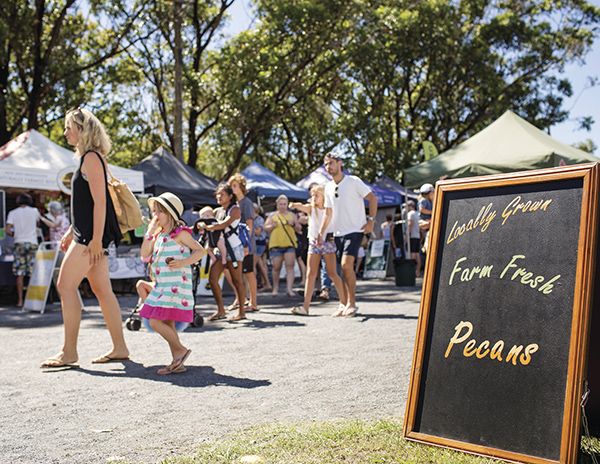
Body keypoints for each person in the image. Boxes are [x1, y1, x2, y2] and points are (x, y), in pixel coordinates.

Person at [41, 108, 129, 368]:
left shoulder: (91, 158)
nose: (65, 132)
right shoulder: (90, 158)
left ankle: (69, 352)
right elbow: (86, 203)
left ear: (82, 129)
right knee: (103, 291)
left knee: (65, 285)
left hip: (91, 238)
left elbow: (101, 203)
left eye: (69, 127)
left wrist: (96, 240)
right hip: (88, 235)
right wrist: (71, 230)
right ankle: (120, 347)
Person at [139, 192, 205, 374]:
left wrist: (183, 262)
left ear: (170, 213)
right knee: (166, 323)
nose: (155, 216)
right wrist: (149, 233)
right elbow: (144, 254)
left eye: (159, 211)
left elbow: (200, 251)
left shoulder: (180, 234)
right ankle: (178, 361)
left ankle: (181, 351)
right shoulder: (158, 235)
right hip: (162, 286)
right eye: (153, 211)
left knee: (154, 320)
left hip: (175, 286)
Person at [319, 152, 378, 317]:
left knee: (346, 265)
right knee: (342, 270)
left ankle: (352, 303)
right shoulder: (328, 187)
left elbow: (373, 199)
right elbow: (328, 213)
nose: (328, 167)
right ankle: (343, 303)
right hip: (338, 233)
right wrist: (321, 232)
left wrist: (371, 221)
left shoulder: (354, 181)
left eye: (331, 163)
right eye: (326, 164)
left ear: (339, 163)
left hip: (355, 230)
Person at [289, 185, 346, 316]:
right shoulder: (311, 208)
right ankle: (305, 307)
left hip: (327, 242)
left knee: (332, 273)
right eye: (312, 195)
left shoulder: (329, 209)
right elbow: (301, 205)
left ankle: (344, 301)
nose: (314, 198)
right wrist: (293, 205)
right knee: (310, 274)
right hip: (314, 242)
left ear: (323, 196)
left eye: (316, 195)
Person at [205, 183, 248, 322]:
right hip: (221, 249)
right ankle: (221, 310)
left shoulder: (235, 209)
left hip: (234, 248)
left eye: (222, 194)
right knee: (212, 279)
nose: (219, 196)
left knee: (237, 281)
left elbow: (224, 225)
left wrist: (209, 226)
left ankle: (242, 312)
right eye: (217, 194)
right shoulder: (219, 211)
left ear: (230, 196)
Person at [228, 174, 259, 312]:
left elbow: (249, 223)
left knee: (249, 273)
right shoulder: (236, 204)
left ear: (241, 187)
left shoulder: (246, 203)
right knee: (238, 273)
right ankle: (241, 299)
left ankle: (253, 303)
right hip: (236, 243)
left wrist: (246, 243)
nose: (232, 188)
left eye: (234, 185)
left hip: (245, 243)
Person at [6, 193, 40, 307]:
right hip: (32, 242)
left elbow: (7, 230)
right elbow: (38, 224)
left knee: (20, 274)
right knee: (32, 272)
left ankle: (20, 300)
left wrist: (15, 235)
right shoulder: (34, 211)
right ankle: (33, 300)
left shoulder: (13, 213)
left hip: (19, 243)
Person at [264, 194, 298, 298]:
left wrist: (292, 224)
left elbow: (299, 228)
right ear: (277, 205)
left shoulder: (292, 215)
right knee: (276, 267)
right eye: (280, 204)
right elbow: (265, 229)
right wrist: (272, 226)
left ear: (287, 205)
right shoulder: (273, 215)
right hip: (276, 244)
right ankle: (275, 288)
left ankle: (289, 289)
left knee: (290, 266)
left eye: (284, 204)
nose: (282, 206)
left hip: (289, 244)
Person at [253, 203, 272, 292]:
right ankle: (267, 283)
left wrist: (248, 227)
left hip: (259, 243)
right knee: (260, 264)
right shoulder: (254, 219)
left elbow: (258, 232)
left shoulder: (259, 219)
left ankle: (252, 286)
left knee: (252, 265)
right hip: (257, 244)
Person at [406, 200, 422, 278]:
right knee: (417, 254)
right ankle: (418, 272)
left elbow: (410, 224)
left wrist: (407, 235)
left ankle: (412, 271)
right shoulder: (418, 214)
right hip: (417, 236)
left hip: (412, 236)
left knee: (412, 254)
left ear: (409, 206)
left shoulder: (410, 214)